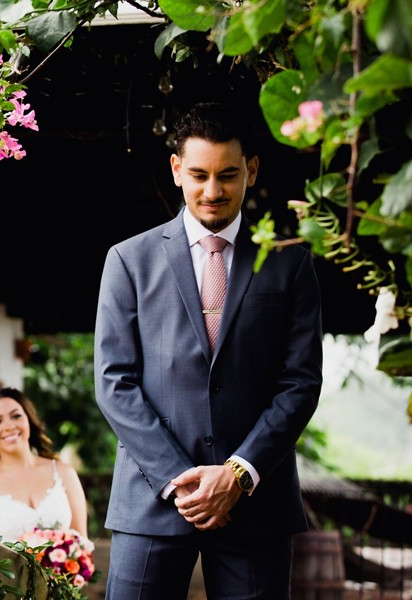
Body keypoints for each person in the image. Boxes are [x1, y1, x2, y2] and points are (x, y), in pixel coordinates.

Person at [93, 101, 323, 599]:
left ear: (252, 171)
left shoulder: (291, 266)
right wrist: (179, 480)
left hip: (257, 505)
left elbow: (300, 384)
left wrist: (239, 474)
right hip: (152, 500)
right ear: (177, 170)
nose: (212, 191)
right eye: (198, 174)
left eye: (228, 175)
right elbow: (114, 383)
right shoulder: (128, 261)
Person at [0, 386, 90, 544]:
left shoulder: (63, 472)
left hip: (63, 569)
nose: (9, 426)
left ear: (29, 420)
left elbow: (82, 545)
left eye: (16, 416)